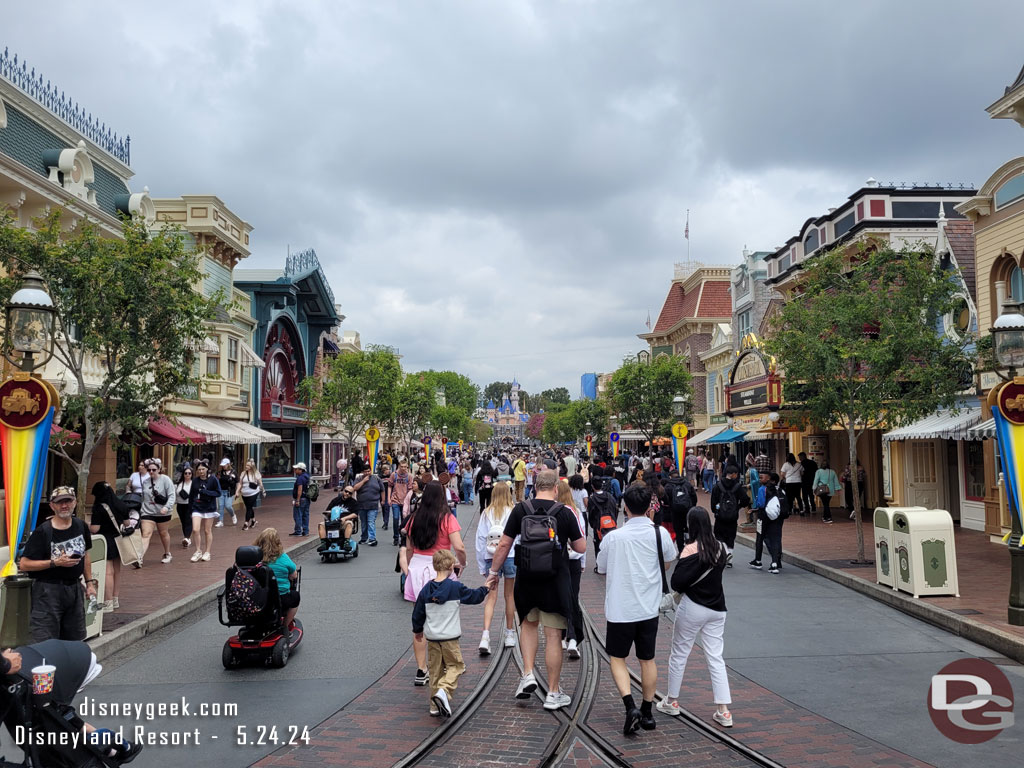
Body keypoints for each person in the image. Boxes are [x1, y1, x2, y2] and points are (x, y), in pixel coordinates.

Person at [486, 470, 587, 712]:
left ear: (534, 487)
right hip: (555, 579)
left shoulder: (520, 510)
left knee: (528, 626)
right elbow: (580, 546)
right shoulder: (564, 512)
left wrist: (493, 572)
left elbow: (504, 544)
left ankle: (528, 674)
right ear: (555, 488)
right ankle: (553, 692)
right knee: (553, 635)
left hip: (527, 578)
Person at [596, 484, 677, 735]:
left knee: (618, 658)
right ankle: (648, 712)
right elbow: (668, 559)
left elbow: (602, 567)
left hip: (620, 608)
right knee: (647, 659)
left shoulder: (613, 537)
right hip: (648, 607)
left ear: (625, 507)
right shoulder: (659, 533)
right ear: (649, 507)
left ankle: (630, 705)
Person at [659, 506, 733, 728]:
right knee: (715, 657)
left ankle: (672, 701)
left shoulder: (690, 549)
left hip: (693, 607)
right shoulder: (720, 547)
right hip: (717, 608)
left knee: (679, 653)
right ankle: (724, 710)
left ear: (691, 525)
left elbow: (677, 582)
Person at [403, 482, 467, 688]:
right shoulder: (447, 518)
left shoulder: (413, 519)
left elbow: (409, 548)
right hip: (440, 566)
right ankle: (448, 663)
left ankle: (422, 669)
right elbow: (459, 545)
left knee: (419, 620)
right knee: (445, 619)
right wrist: (461, 563)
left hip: (418, 567)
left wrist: (409, 569)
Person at [412, 549, 489, 718]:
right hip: (450, 638)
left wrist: (418, 631)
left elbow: (418, 613)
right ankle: (444, 690)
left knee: (435, 670)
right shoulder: (455, 588)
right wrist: (486, 588)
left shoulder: (426, 590)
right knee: (456, 666)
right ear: (450, 566)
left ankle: (434, 705)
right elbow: (474, 597)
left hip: (432, 638)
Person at [18, 487, 96, 642]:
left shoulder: (81, 526)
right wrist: (55, 563)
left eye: (68, 501)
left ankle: (71, 665)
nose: (64, 506)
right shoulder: (43, 531)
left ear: (75, 502)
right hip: (48, 591)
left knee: (75, 638)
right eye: (59, 502)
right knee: (46, 639)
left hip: (74, 588)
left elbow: (86, 554)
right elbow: (24, 564)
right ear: (52, 506)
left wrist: (89, 583)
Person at [475, 481, 518, 655]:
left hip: (490, 556)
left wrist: (481, 565)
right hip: (509, 555)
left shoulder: (486, 513)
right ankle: (509, 633)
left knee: (491, 597)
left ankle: (485, 635)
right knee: (509, 596)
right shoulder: (513, 511)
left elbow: (480, 539)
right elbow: (518, 536)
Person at [88, 482, 132, 612]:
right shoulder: (120, 504)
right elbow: (127, 523)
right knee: (117, 571)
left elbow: (95, 529)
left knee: (108, 572)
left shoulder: (99, 508)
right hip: (119, 540)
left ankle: (107, 602)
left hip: (105, 541)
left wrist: (88, 525)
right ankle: (115, 598)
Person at [557, 479, 587, 660]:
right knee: (573, 597)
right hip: (574, 559)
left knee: (558, 597)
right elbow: (582, 538)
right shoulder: (576, 513)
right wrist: (583, 561)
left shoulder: (554, 512)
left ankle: (561, 635)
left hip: (558, 560)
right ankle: (573, 637)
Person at [254, 528, 300, 628]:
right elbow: (294, 575)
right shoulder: (283, 557)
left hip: (257, 599)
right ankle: (285, 626)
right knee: (296, 597)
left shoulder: (254, 558)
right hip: (280, 598)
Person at [710, 464, 750, 567]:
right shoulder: (737, 487)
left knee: (719, 536)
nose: (737, 475)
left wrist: (716, 511)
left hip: (720, 517)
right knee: (731, 537)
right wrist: (738, 507)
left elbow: (713, 503)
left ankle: (725, 554)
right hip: (732, 517)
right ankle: (729, 557)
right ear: (733, 474)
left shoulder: (717, 486)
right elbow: (746, 500)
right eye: (736, 474)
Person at [140, 460, 175, 564]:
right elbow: (143, 497)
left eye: (154, 470)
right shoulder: (146, 482)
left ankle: (167, 553)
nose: (151, 472)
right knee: (146, 534)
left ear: (159, 469)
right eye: (149, 470)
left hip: (162, 512)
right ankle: (139, 557)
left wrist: (167, 507)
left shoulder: (166, 480)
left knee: (163, 533)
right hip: (148, 512)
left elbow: (172, 495)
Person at [749, 471, 785, 574]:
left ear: (768, 479)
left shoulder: (762, 489)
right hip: (776, 517)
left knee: (760, 538)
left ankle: (758, 560)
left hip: (763, 516)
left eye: (761, 477)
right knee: (775, 539)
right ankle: (775, 562)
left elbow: (761, 503)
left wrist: (755, 509)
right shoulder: (779, 490)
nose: (760, 479)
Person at [189, 462, 221, 562]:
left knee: (207, 530)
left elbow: (218, 492)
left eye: (203, 469)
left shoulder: (213, 479)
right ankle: (198, 551)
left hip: (209, 507)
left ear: (207, 469)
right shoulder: (195, 481)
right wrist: (190, 508)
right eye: (199, 470)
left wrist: (206, 492)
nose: (201, 471)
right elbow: (191, 495)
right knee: (195, 529)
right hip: (197, 507)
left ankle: (207, 552)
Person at [353, 464, 384, 546]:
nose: (367, 473)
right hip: (361, 504)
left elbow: (382, 489)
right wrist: (363, 481)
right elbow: (355, 488)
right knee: (363, 523)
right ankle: (364, 537)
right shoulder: (359, 478)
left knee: (370, 522)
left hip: (373, 504)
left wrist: (383, 500)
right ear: (362, 472)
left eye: (368, 471)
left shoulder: (376, 479)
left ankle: (372, 539)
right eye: (365, 471)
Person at [389, 458, 415, 545]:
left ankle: (403, 537)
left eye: (405, 467)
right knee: (395, 519)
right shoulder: (394, 475)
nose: (403, 468)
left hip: (405, 501)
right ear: (399, 466)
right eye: (402, 466)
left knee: (404, 520)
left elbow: (411, 489)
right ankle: (395, 538)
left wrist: (409, 501)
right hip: (395, 500)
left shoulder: (409, 476)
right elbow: (390, 486)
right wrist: (389, 498)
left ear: (407, 467)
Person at [236, 458, 266, 531]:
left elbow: (260, 483)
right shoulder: (243, 473)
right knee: (249, 507)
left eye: (248, 465)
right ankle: (253, 520)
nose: (246, 466)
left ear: (252, 466)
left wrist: (263, 490)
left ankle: (246, 523)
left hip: (254, 492)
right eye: (246, 465)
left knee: (249, 507)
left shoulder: (256, 473)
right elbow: (240, 483)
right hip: (244, 493)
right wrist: (237, 492)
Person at [175, 466, 194, 548]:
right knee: (183, 522)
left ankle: (187, 538)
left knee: (188, 521)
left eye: (189, 473)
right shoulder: (179, 484)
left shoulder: (193, 483)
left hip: (189, 505)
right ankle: (186, 537)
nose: (187, 475)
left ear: (192, 474)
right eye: (185, 473)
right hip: (180, 505)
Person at [216, 458, 238, 527]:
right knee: (221, 506)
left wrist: (237, 491)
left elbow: (237, 482)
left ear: (228, 464)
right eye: (222, 465)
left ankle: (233, 515)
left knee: (228, 506)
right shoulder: (220, 473)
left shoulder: (233, 472)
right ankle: (220, 521)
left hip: (229, 491)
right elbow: (216, 481)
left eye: (224, 465)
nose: (223, 466)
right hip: (221, 491)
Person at [291, 462, 311, 537]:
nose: (295, 470)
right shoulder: (307, 476)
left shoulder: (300, 478)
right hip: (307, 498)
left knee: (298, 515)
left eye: (296, 469)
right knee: (305, 514)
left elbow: (300, 489)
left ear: (300, 470)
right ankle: (305, 531)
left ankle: (298, 531)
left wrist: (297, 500)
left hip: (301, 498)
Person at [798, 451, 819, 518]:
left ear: (802, 456)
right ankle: (813, 507)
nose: (799, 459)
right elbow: (816, 471)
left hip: (804, 481)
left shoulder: (801, 464)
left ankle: (807, 508)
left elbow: (800, 473)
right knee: (811, 494)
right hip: (811, 480)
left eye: (800, 457)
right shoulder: (813, 463)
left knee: (805, 495)